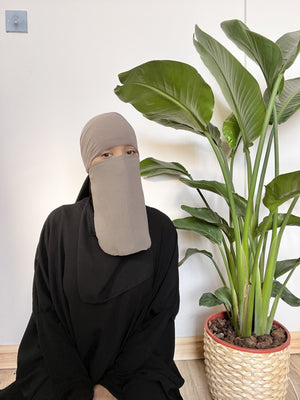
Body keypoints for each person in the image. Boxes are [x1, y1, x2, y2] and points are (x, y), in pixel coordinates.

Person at [0, 112, 184, 400]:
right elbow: (46, 314)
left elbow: (160, 317)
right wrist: (77, 389)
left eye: (129, 152)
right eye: (106, 154)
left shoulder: (161, 230)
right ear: (88, 164)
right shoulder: (59, 227)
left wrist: (113, 385)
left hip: (135, 368)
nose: (120, 161)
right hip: (64, 366)